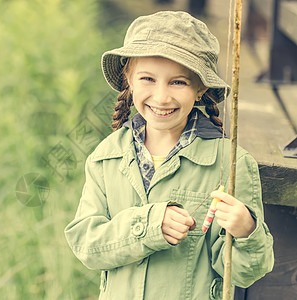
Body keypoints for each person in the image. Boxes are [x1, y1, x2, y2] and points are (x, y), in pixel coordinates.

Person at [64, 11, 274, 300]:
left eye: (178, 82)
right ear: (129, 79)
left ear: (201, 88)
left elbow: (243, 273)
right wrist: (151, 225)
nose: (161, 97)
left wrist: (247, 231)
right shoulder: (106, 157)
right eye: (148, 79)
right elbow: (87, 246)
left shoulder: (230, 162)